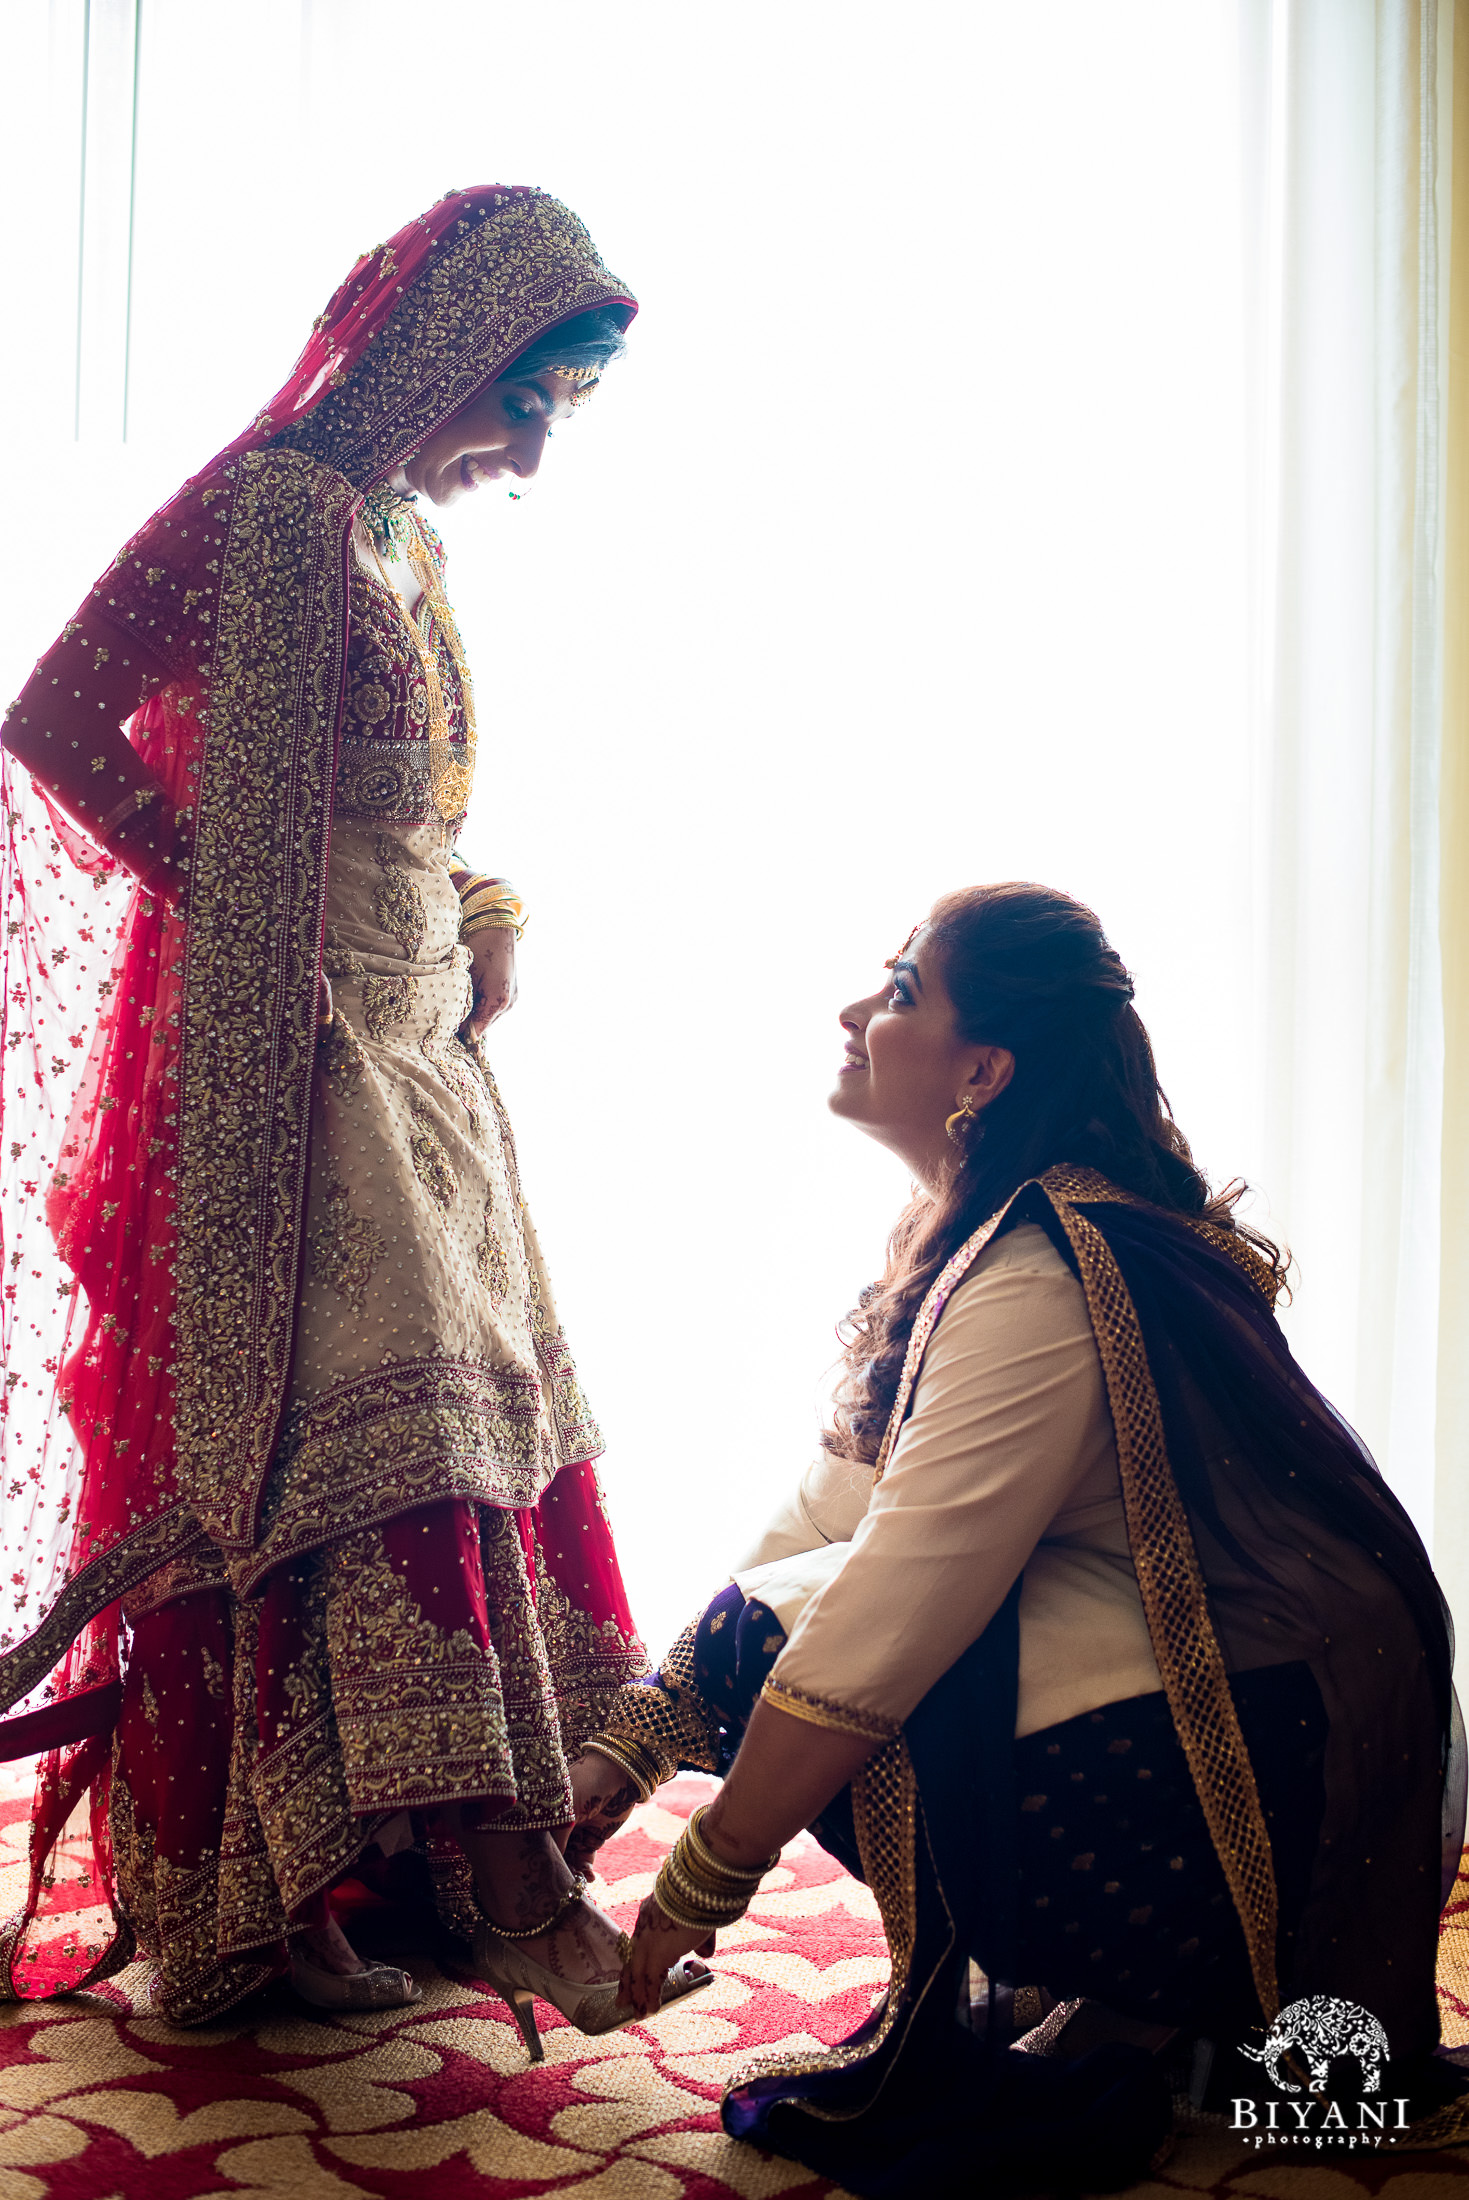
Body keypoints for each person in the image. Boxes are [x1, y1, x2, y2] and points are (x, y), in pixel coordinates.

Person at [0, 185, 707, 2049]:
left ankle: (335, 1884)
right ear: (432, 348)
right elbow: (55, 716)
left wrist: (487, 915)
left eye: (562, 411)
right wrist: (227, 906)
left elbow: (418, 802)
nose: (531, 449)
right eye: (520, 396)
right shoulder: (265, 509)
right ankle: (485, 1884)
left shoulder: (395, 532)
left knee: (455, 1423)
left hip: (418, 1046)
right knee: (361, 1455)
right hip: (289, 1058)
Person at [568, 883, 1466, 2190]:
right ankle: (1140, 1996)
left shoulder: (1043, 1269)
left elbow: (886, 1607)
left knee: (830, 1669)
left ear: (980, 1068)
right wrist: (624, 1750)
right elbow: (829, 1511)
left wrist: (708, 1871)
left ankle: (1178, 1977)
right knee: (762, 1639)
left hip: (1265, 1762)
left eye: (898, 991)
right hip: (1227, 1697)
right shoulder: (991, 1227)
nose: (853, 1014)